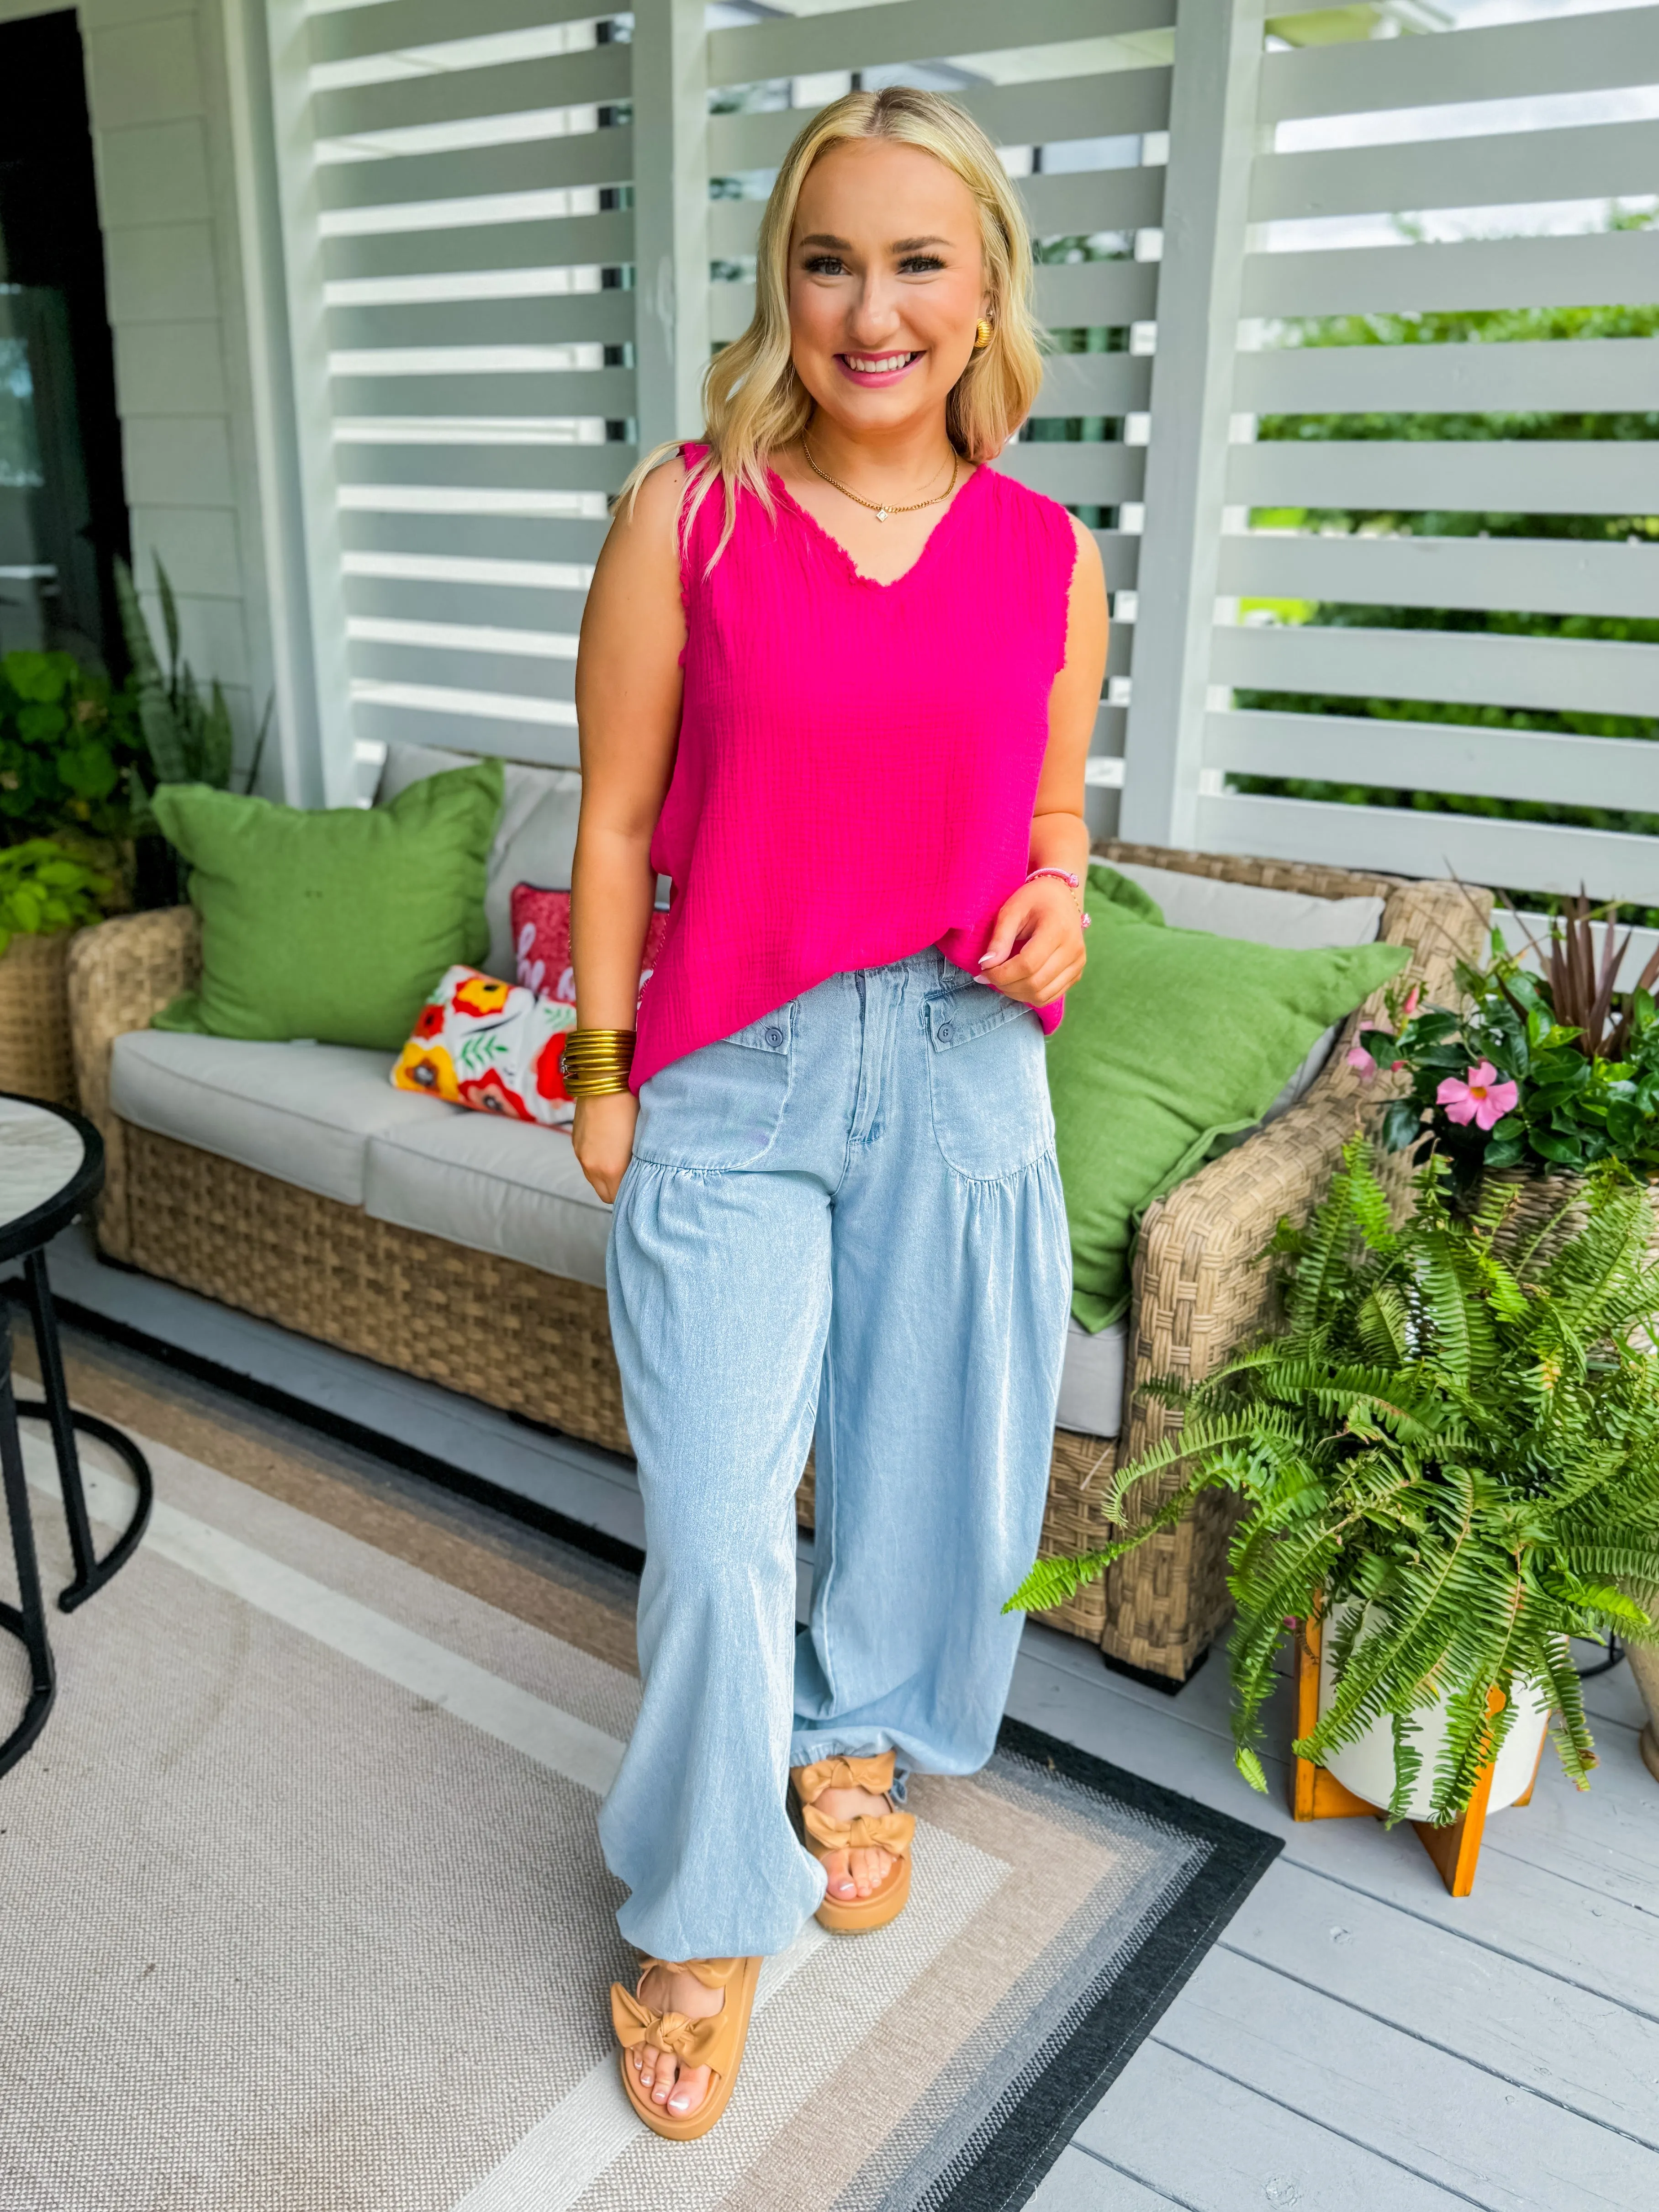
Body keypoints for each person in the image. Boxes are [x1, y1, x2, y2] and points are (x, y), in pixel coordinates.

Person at [567, 85, 1109, 2142]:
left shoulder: (1048, 554)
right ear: (780, 283)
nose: (864, 310)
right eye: (825, 260)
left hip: (965, 1065)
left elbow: (1049, 821)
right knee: (715, 1523)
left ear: (981, 295)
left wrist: (1056, 900)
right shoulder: (686, 515)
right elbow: (615, 821)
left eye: (912, 263)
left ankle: (851, 1742)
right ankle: (708, 1908)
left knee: (926, 1481)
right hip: (738, 1066)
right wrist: (609, 1075)